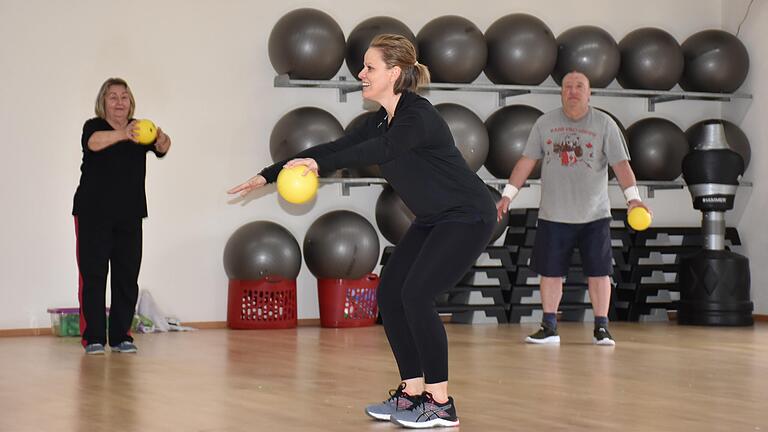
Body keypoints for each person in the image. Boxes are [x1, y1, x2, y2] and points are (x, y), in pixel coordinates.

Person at [228, 34, 495, 428]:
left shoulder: (417, 116)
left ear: (396, 73)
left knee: (418, 295)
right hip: (433, 218)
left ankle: (440, 402)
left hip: (468, 216)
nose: (361, 73)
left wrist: (321, 167)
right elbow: (333, 148)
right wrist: (270, 174)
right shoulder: (378, 121)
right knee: (390, 294)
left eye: (369, 67)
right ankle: (412, 392)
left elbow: (381, 151)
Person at [497, 71, 650, 346]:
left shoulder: (604, 124)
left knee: (600, 272)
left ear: (589, 93)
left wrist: (634, 199)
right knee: (550, 272)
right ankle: (549, 326)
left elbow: (621, 165)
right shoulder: (545, 123)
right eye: (568, 86)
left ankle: (602, 328)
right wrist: (508, 195)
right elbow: (525, 161)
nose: (573, 91)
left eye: (579, 86)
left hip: (594, 215)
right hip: (554, 214)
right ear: (561, 92)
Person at [73, 78, 171, 355]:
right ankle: (93, 337)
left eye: (124, 97)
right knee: (93, 277)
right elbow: (93, 143)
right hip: (93, 214)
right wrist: (124, 134)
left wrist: (161, 138)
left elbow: (163, 147)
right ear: (103, 103)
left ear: (131, 102)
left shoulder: (141, 130)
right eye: (112, 97)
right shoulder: (94, 127)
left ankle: (121, 336)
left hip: (130, 215)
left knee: (126, 277)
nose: (119, 102)